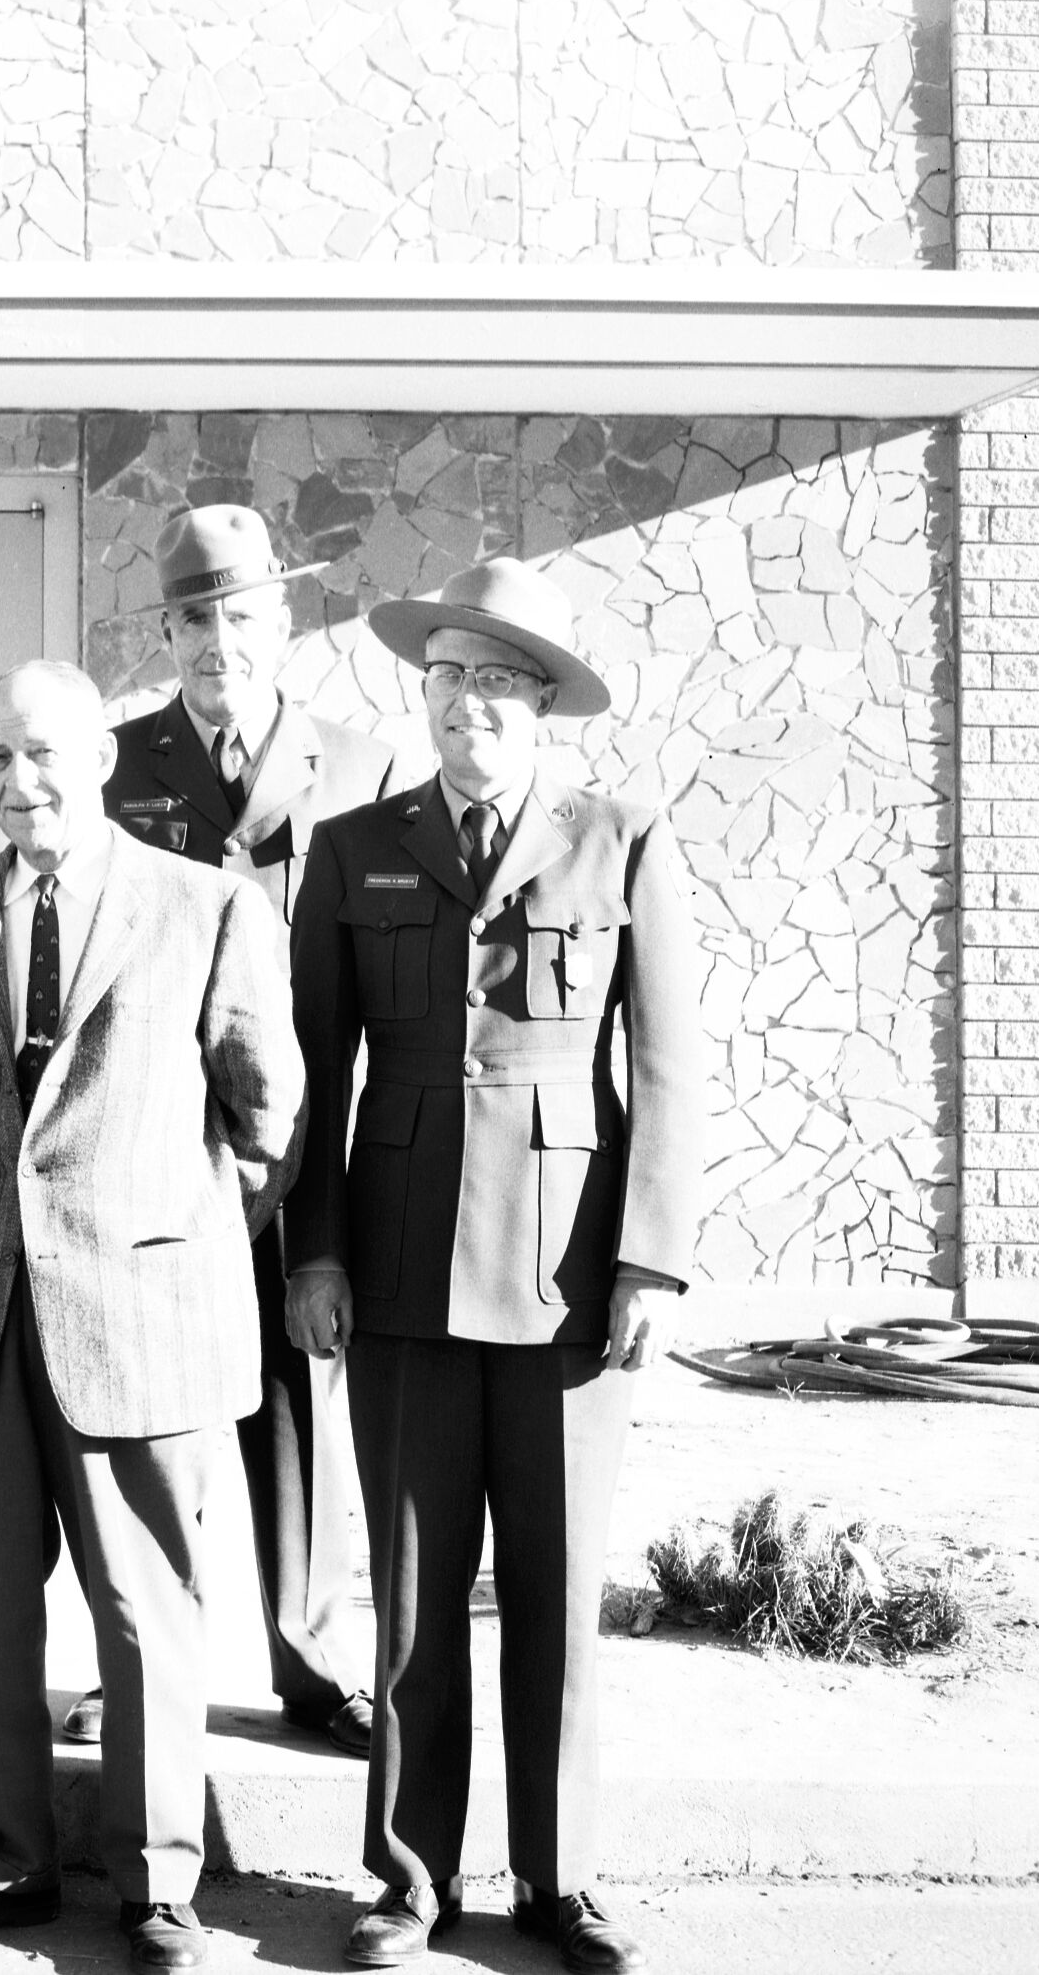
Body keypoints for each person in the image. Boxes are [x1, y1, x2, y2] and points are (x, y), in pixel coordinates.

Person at [286, 559, 705, 1974]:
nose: (471, 702)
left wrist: (650, 1260)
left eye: (501, 679)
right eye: (450, 675)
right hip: (397, 1268)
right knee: (411, 1596)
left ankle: (559, 1878)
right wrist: (315, 1253)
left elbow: (664, 1065)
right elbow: (310, 1072)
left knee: (552, 1584)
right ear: (427, 693)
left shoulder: (619, 838)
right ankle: (409, 1880)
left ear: (545, 706)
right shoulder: (353, 848)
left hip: (569, 1277)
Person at [0, 661, 304, 1971]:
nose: (21, 783)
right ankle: (1, 1859)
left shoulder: (207, 909)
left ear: (101, 761)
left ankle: (158, 1882)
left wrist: (170, 1240)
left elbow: (265, 1117)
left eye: (47, 755)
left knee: (146, 1614)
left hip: (138, 1316)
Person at [62, 505, 418, 1756]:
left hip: (298, 1135)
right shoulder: (114, 760)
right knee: (147, 1416)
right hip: (153, 1145)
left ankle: (313, 1660)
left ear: (284, 621)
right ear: (167, 631)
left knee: (292, 1403)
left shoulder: (364, 768)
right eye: (195, 619)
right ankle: (139, 1652)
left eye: (242, 615)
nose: (221, 641)